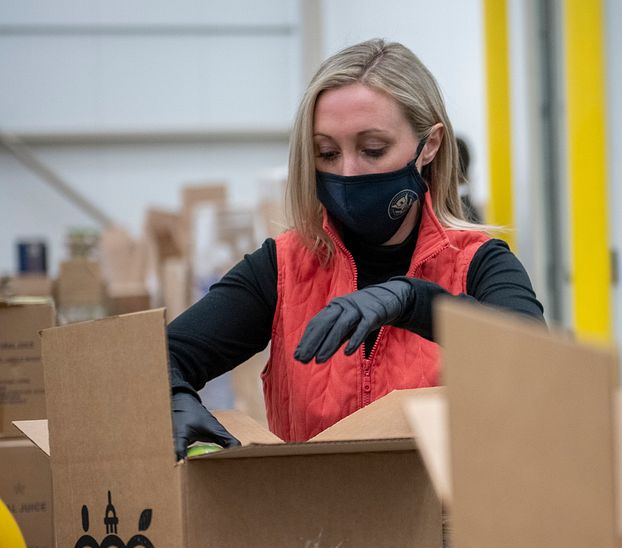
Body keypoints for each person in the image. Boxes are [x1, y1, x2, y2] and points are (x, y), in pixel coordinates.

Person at [168, 39, 544, 458]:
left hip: (447, 522)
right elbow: (159, 356)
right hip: (314, 519)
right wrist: (171, 395)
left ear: (431, 145)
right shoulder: (282, 268)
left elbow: (536, 361)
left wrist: (418, 301)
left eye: (372, 149)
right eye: (326, 153)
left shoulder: (478, 263)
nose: (347, 172)